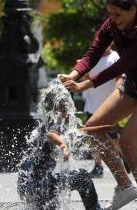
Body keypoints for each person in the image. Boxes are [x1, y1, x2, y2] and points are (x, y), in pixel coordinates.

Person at [58, 0, 137, 209]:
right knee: (92, 128)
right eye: (110, 14)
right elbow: (93, 52)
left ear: (132, 10)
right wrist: (72, 75)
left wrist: (84, 85)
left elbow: (123, 63)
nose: (112, 19)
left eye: (117, 14)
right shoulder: (113, 24)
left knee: (128, 140)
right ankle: (125, 186)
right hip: (133, 84)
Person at [17, 81, 103, 210]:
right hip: (45, 184)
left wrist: (108, 128)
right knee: (82, 176)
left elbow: (79, 132)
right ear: (63, 108)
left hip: (32, 186)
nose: (74, 110)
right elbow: (51, 134)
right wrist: (63, 145)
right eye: (71, 106)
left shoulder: (45, 122)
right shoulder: (57, 120)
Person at [82, 45, 124, 178]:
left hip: (107, 105)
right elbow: (87, 78)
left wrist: (115, 98)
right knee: (91, 137)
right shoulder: (92, 58)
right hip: (91, 104)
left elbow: (119, 78)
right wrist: (84, 95)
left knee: (113, 138)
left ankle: (122, 159)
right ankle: (98, 166)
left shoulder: (115, 57)